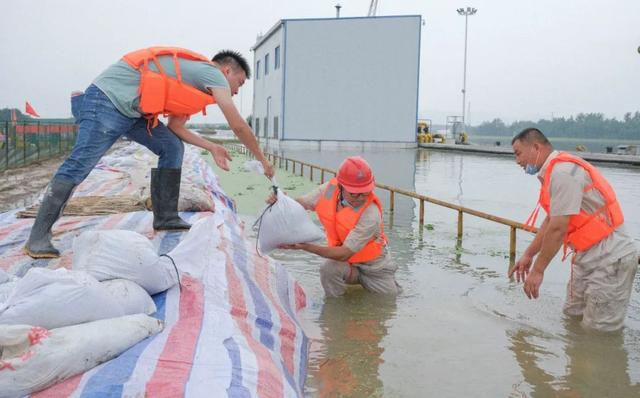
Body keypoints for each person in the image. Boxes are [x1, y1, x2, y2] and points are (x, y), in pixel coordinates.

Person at [24, 47, 274, 258]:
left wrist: (213, 147)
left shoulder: (194, 86)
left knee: (171, 146)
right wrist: (262, 161)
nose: (237, 91)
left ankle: (165, 217)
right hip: (107, 102)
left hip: (133, 114)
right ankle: (37, 238)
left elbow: (176, 128)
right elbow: (238, 125)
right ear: (226, 71)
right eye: (239, 83)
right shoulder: (211, 73)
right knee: (80, 165)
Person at [509, 128, 637, 332]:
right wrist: (528, 255)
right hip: (586, 255)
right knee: (572, 317)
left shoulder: (563, 173)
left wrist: (538, 271)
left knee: (598, 331)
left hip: (610, 256)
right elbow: (551, 220)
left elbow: (559, 228)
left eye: (518, 153)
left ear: (536, 147)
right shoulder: (552, 173)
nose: (517, 161)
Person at [269, 156, 399, 297]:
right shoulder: (330, 190)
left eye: (366, 192)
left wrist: (306, 247)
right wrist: (282, 202)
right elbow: (303, 203)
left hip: (375, 269)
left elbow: (344, 253)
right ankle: (336, 313)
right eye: (355, 194)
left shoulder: (371, 214)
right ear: (341, 186)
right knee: (328, 269)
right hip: (348, 266)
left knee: (388, 303)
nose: (361, 197)